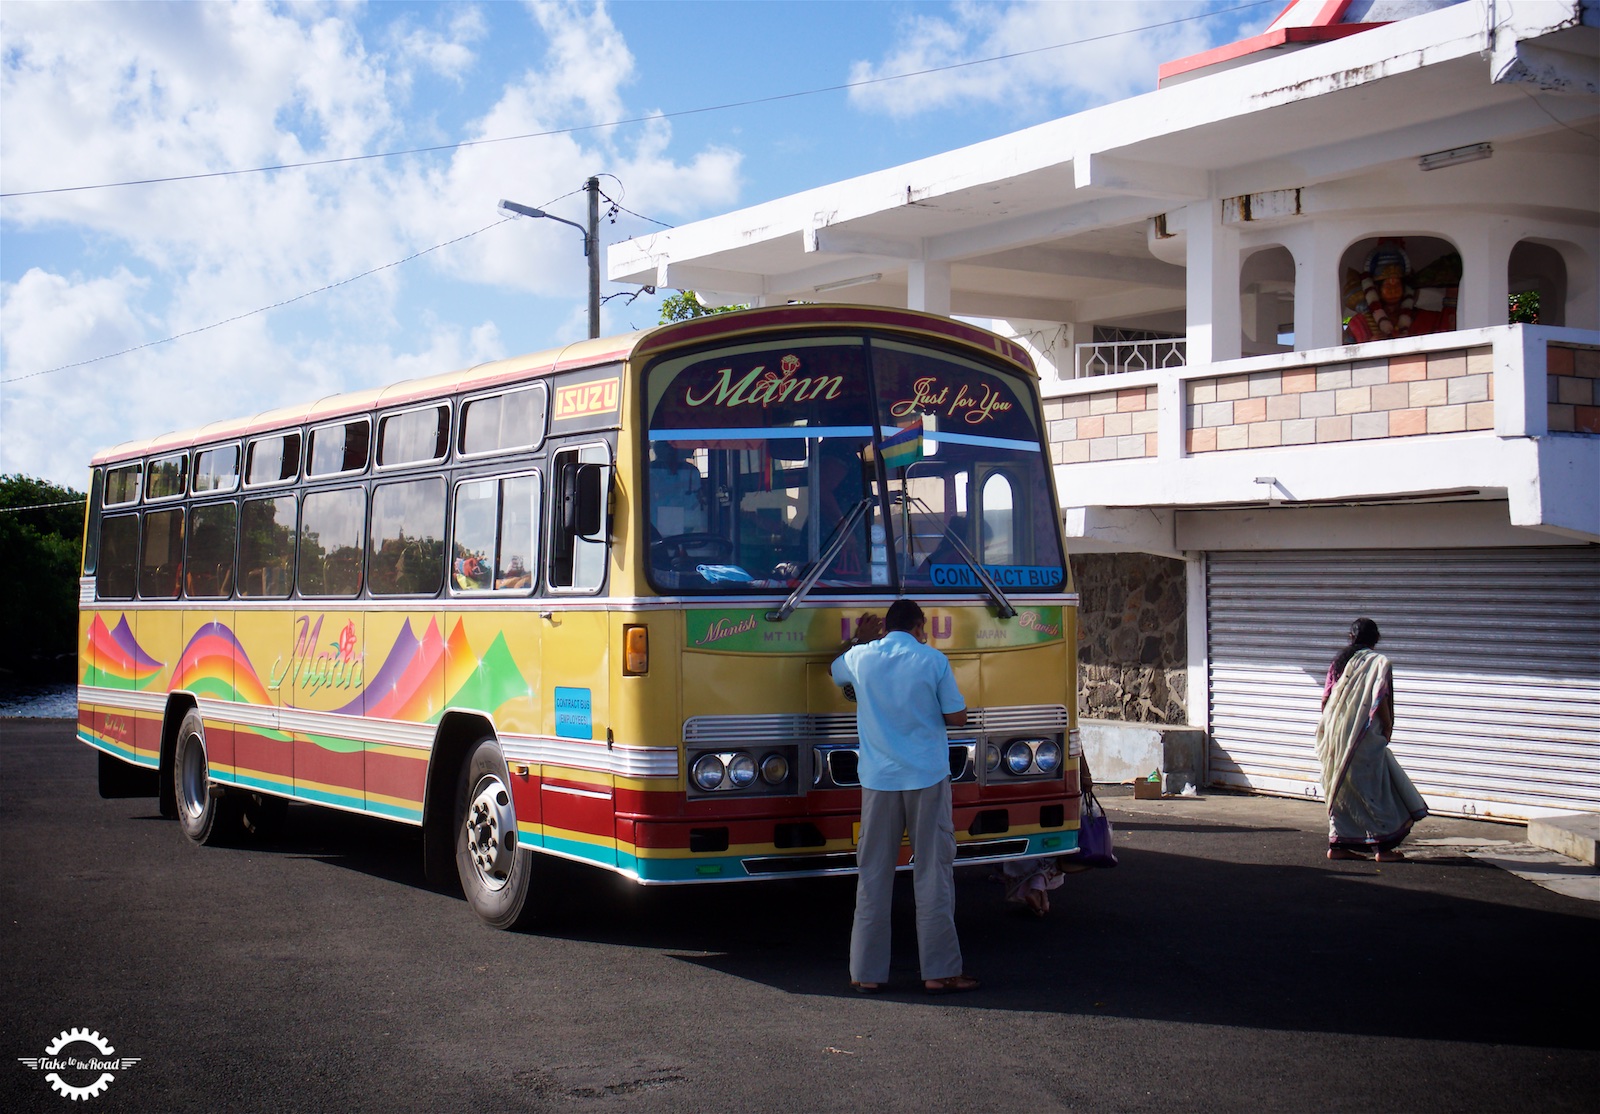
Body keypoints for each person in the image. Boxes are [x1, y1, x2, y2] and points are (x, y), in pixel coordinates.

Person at [831, 599, 978, 995]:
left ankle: (866, 973)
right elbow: (956, 716)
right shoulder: (932, 660)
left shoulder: (862, 657)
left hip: (878, 780)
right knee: (933, 873)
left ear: (885, 628)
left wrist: (857, 641)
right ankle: (940, 972)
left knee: (873, 874)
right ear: (918, 627)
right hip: (926, 777)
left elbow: (834, 671)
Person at [1313, 618, 1428, 862]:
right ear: (1376, 639)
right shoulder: (1379, 663)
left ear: (1351, 637)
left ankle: (1337, 845)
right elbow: (1380, 701)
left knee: (1340, 789)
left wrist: (1333, 731)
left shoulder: (1339, 663)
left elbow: (1325, 701)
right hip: (1363, 737)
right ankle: (1383, 849)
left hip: (1336, 735)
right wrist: (1387, 727)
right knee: (1374, 790)